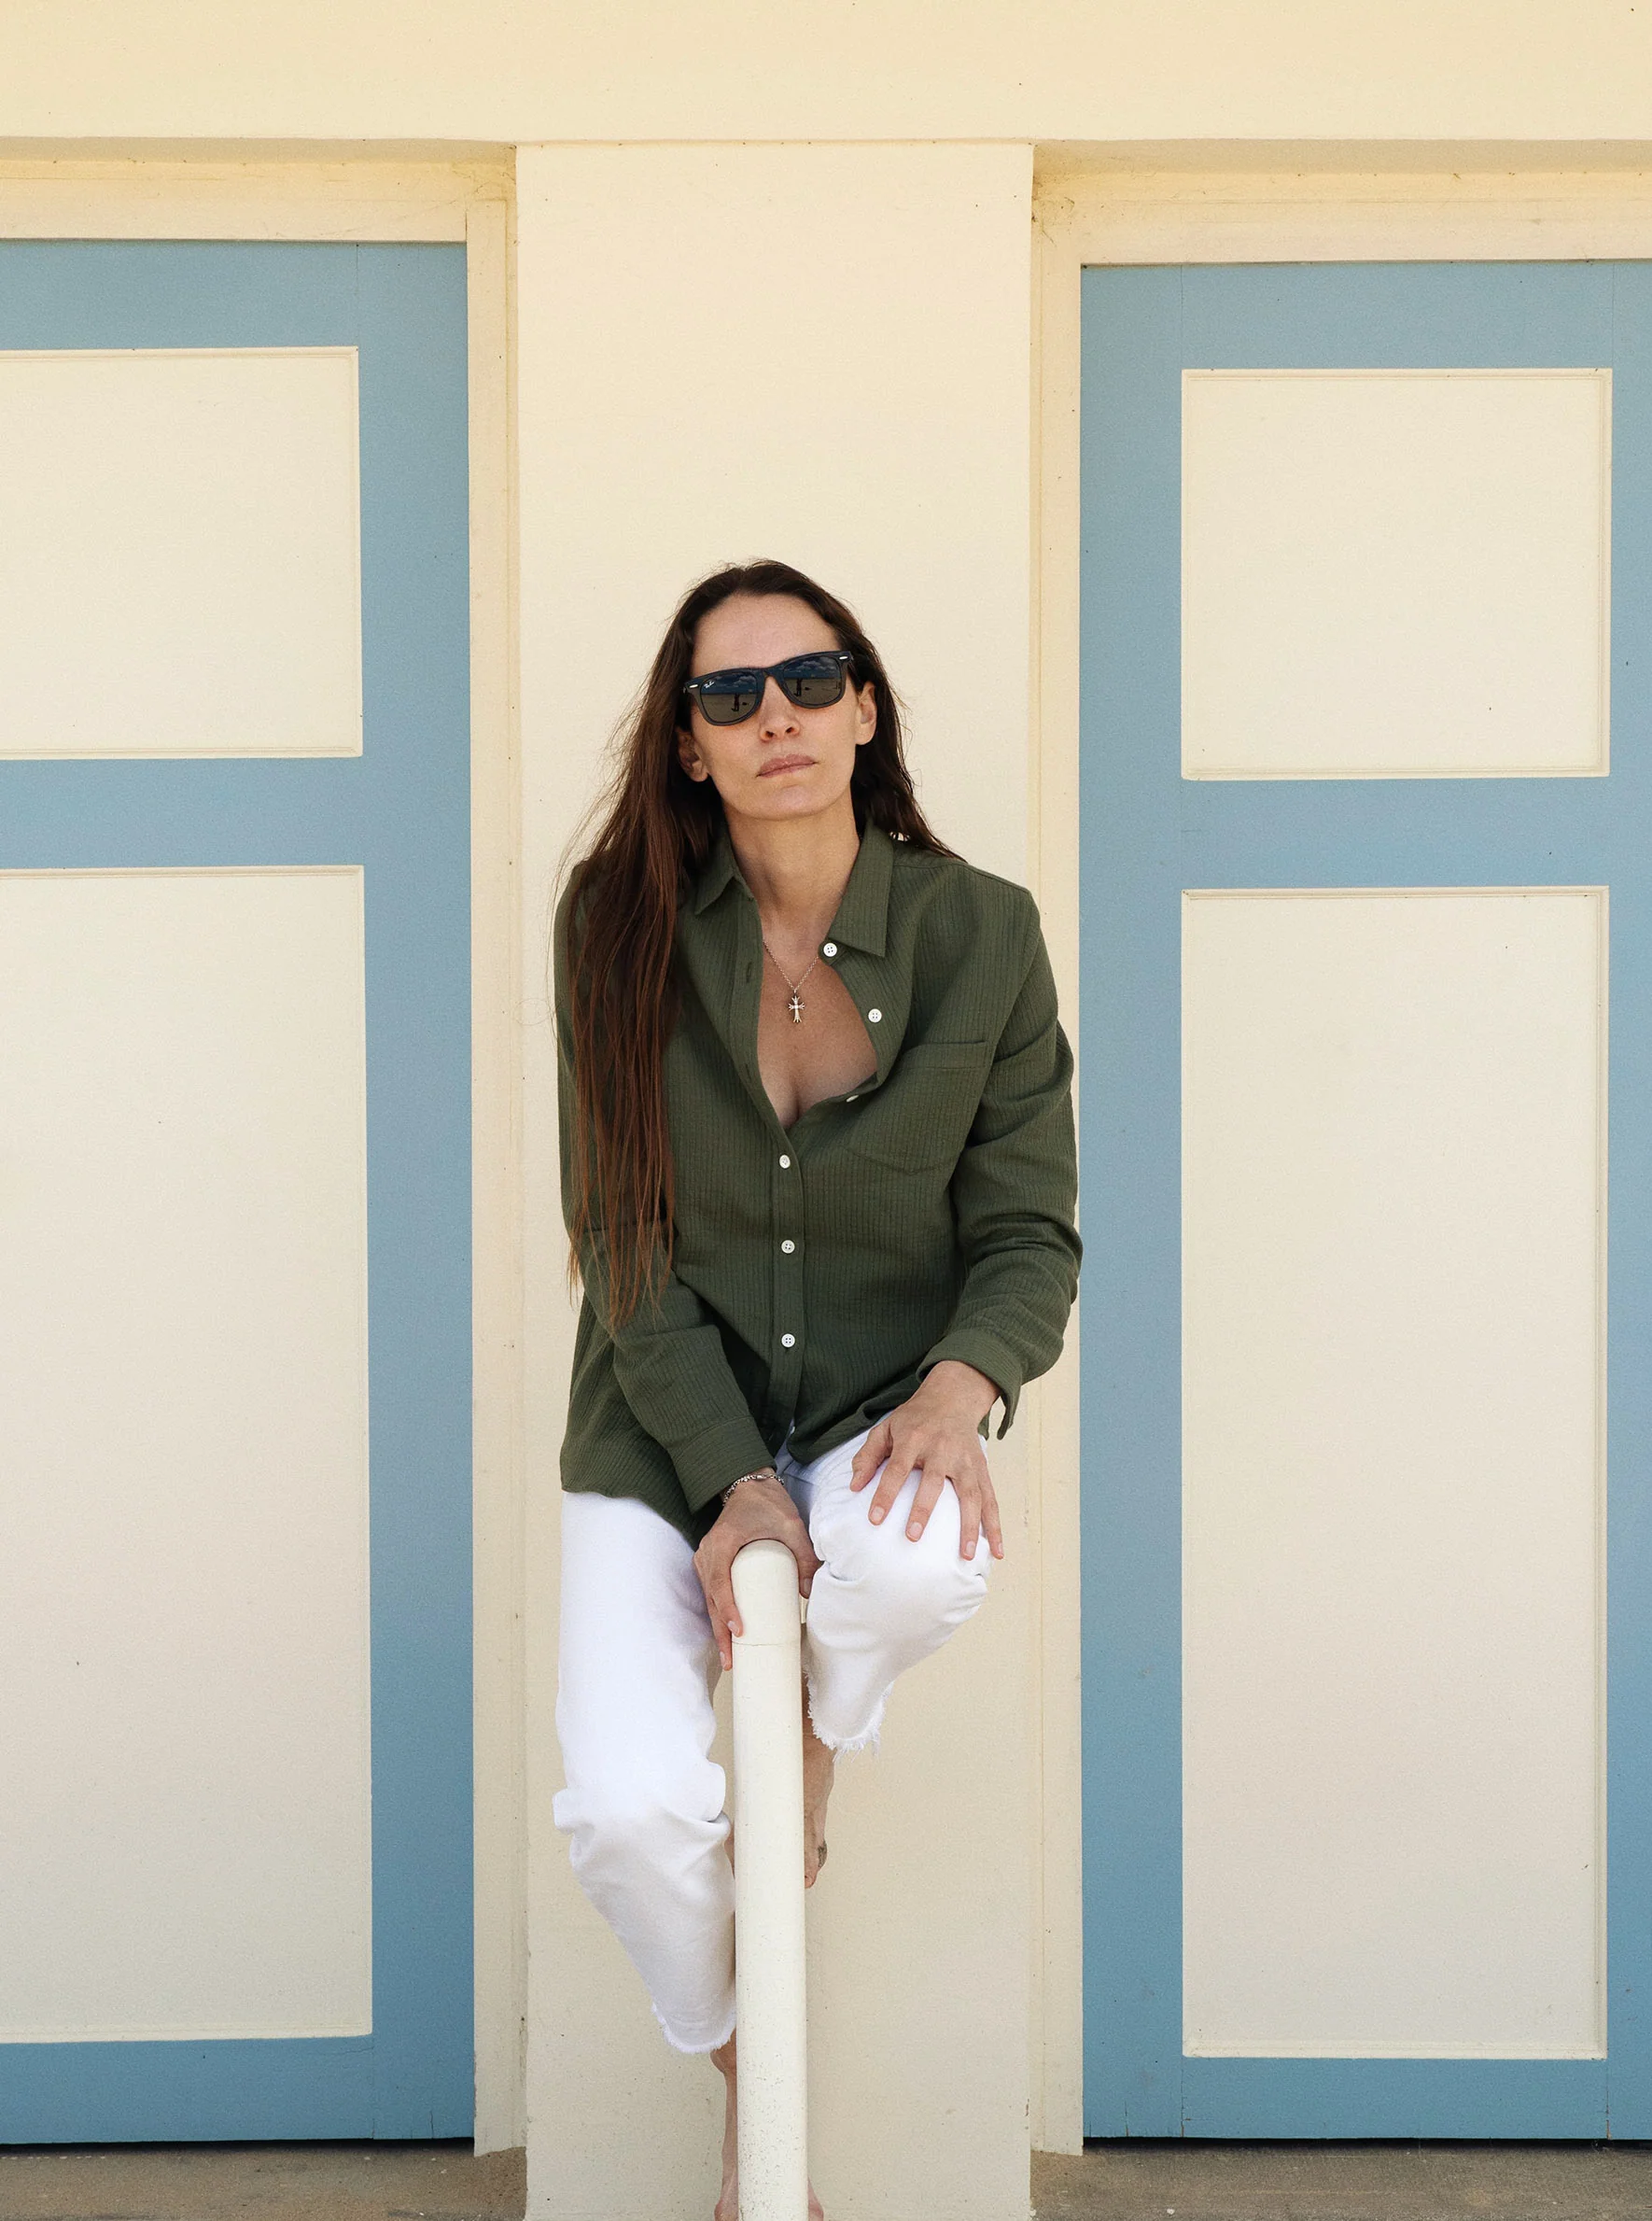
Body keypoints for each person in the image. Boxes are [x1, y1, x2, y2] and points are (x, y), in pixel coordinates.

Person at [552, 558, 1080, 2220]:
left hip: (875, 1404)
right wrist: (731, 1484)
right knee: (632, 1811)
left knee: (919, 1559)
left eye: (807, 678)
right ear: (688, 743)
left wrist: (958, 1388)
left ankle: (808, 1735)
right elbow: (621, 1234)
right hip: (662, 1420)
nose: (772, 715)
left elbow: (1027, 1225)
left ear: (862, 707)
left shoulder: (981, 932)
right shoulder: (614, 929)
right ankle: (747, 2088)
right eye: (728, 694)